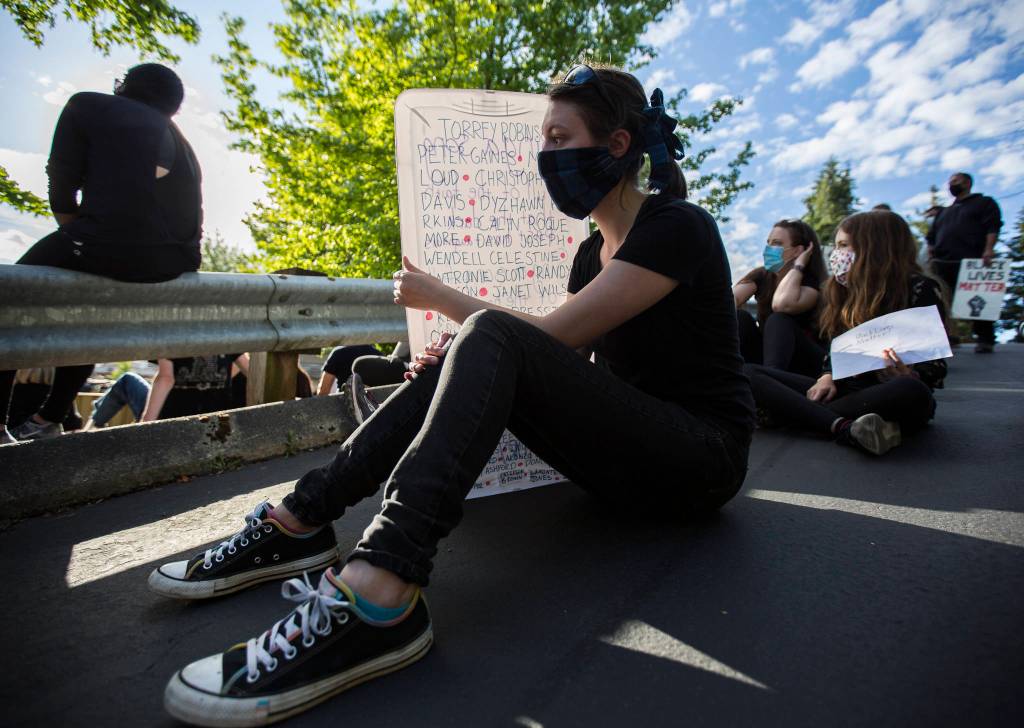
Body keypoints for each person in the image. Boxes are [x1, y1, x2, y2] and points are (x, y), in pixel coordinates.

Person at [151, 65, 754, 726]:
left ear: (614, 146)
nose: (544, 155)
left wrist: (445, 304)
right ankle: (301, 518)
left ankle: (383, 586)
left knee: (489, 335)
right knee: (473, 349)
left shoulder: (678, 227)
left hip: (700, 463)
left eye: (559, 137)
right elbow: (565, 368)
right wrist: (463, 369)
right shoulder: (589, 257)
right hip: (630, 468)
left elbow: (547, 338)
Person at [0, 63, 203, 444]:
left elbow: (61, 187)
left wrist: (81, 237)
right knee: (89, 316)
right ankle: (51, 414)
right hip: (178, 260)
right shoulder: (183, 141)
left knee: (9, 300)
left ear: (124, 86)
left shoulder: (87, 106)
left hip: (108, 242)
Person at [745, 210, 947, 455]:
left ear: (873, 247)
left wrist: (908, 374)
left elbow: (934, 370)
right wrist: (827, 376)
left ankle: (793, 412)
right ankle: (843, 427)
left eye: (843, 245)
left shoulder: (920, 288)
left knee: (911, 392)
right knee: (749, 373)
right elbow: (836, 347)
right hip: (842, 390)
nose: (837, 254)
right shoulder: (842, 291)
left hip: (883, 392)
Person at [733, 219, 828, 375]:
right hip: (766, 358)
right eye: (768, 243)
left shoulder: (812, 283)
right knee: (739, 317)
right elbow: (730, 300)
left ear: (798, 251)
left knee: (778, 320)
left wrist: (798, 266)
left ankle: (771, 382)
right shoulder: (762, 274)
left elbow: (782, 304)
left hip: (804, 363)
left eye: (776, 243)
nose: (768, 249)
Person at [926, 172, 1002, 353]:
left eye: (955, 181)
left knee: (978, 301)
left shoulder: (984, 203)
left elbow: (992, 226)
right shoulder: (944, 212)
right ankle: (947, 336)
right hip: (943, 261)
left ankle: (985, 338)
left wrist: (988, 249)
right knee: (941, 300)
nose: (952, 184)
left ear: (967, 183)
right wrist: (931, 252)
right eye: (950, 182)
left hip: (972, 260)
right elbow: (931, 237)